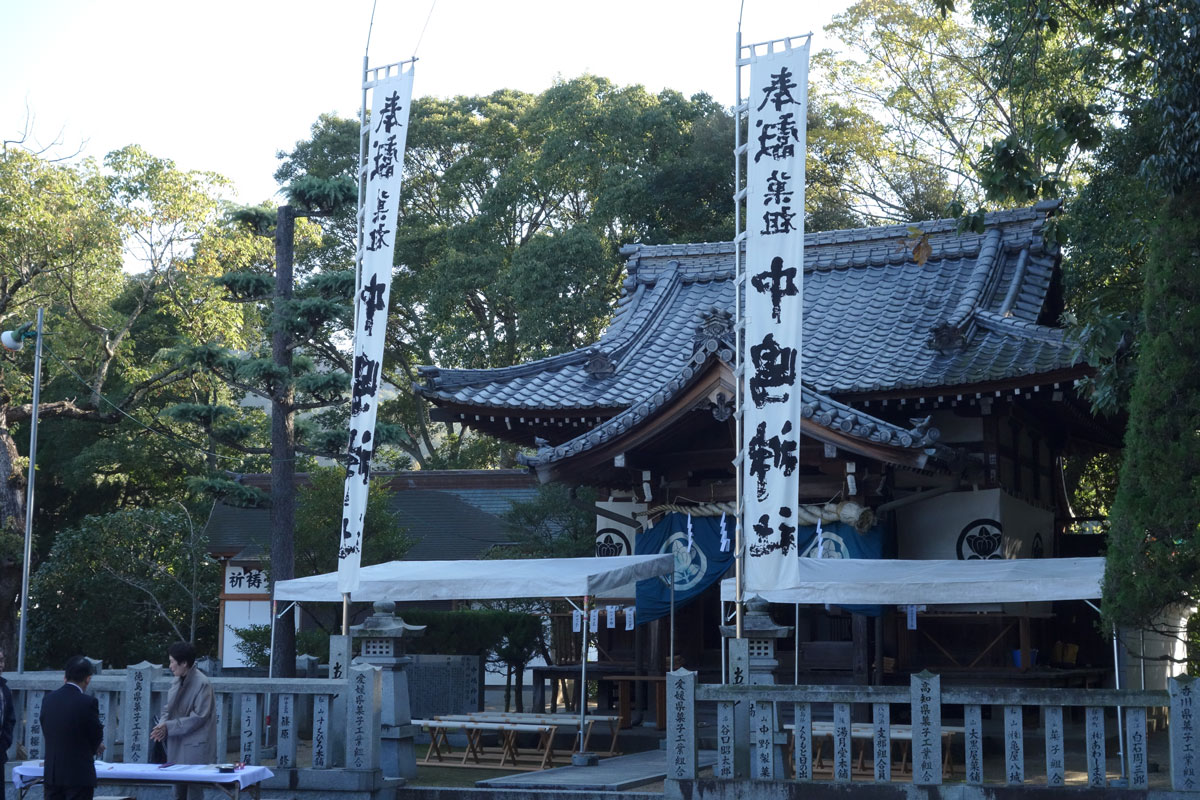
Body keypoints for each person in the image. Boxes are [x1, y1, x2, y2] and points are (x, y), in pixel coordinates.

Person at [40, 656, 104, 800]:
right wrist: (94, 747)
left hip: (52, 773)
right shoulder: (87, 702)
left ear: (65, 677)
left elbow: (46, 728)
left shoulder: (48, 699)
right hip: (78, 774)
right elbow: (96, 733)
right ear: (88, 679)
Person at [151, 642, 216, 765]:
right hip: (176, 740)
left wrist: (168, 727)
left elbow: (199, 717)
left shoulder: (203, 683)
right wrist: (161, 726)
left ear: (184, 663)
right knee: (176, 780)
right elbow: (167, 709)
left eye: (172, 662)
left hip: (195, 744)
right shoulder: (177, 680)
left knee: (193, 781)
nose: (170, 666)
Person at [0, 650, 15, 779]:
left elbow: (10, 719)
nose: (1, 665)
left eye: (2, 660)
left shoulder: (4, 689)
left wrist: (5, 742)